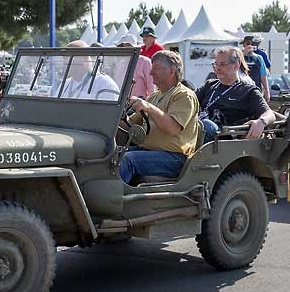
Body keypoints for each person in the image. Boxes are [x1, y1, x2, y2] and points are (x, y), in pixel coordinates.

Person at [118, 50, 201, 185]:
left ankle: (112, 201)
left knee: (128, 159)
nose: (151, 73)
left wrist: (148, 107)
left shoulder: (184, 95)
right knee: (112, 154)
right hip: (150, 152)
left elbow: (172, 128)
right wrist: (115, 118)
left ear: (172, 71)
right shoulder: (155, 96)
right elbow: (130, 124)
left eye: (156, 68)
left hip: (174, 158)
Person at [196, 46, 275, 144]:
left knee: (206, 125)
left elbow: (270, 114)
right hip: (200, 133)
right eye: (215, 64)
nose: (218, 68)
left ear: (236, 66)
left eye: (223, 64)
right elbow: (189, 100)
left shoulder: (248, 90)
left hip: (226, 141)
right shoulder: (210, 85)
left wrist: (260, 122)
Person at [116, 34, 155, 98]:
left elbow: (152, 88)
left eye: (128, 46)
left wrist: (150, 105)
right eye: (122, 46)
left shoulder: (145, 62)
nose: (125, 49)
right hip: (120, 103)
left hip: (138, 105)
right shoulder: (120, 63)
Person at [241, 36, 271, 102]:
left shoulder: (259, 57)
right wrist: (244, 54)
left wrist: (267, 91)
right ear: (244, 45)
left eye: (252, 44)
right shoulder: (239, 56)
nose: (250, 46)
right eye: (248, 44)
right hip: (241, 91)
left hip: (256, 90)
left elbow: (263, 75)